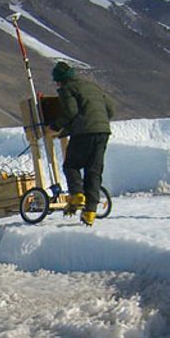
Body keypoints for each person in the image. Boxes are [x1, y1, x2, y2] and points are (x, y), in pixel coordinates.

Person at [49, 61, 115, 226]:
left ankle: (77, 195)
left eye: (56, 81)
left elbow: (70, 112)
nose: (56, 84)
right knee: (93, 171)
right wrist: (100, 122)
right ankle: (90, 212)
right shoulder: (92, 86)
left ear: (61, 80)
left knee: (71, 165)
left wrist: (55, 126)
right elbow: (111, 108)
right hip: (103, 131)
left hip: (84, 131)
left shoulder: (67, 89)